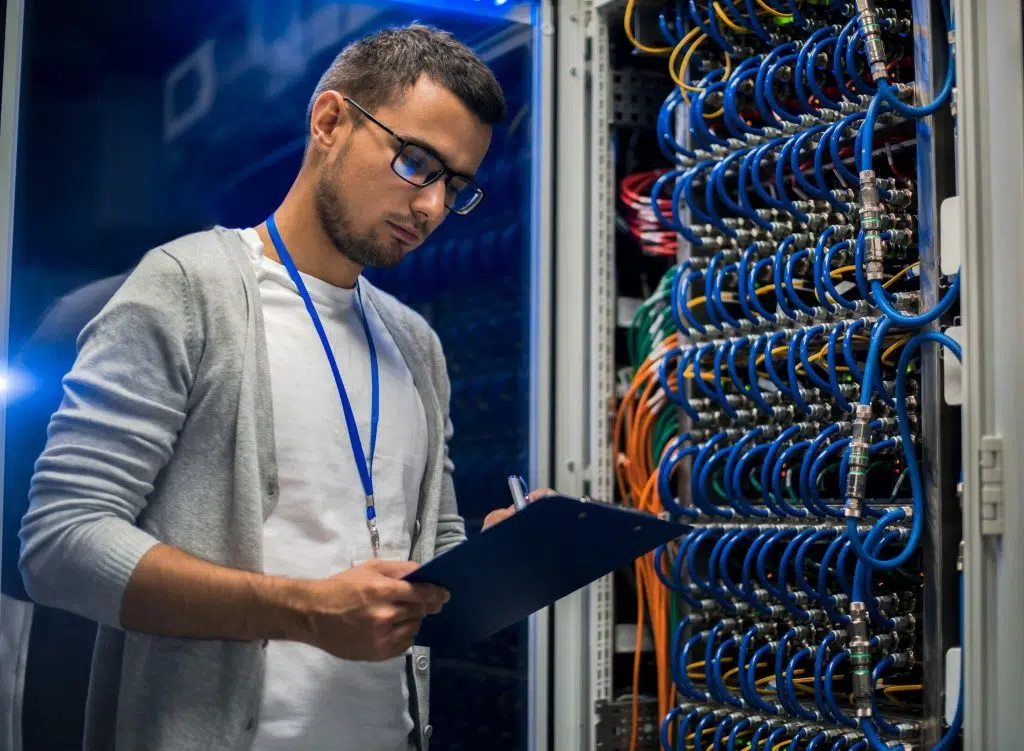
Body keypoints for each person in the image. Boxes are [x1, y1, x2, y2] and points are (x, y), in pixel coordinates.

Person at [18, 24, 540, 751]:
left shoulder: (416, 345)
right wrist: (303, 610)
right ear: (329, 121)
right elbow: (61, 543)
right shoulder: (187, 288)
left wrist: (499, 550)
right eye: (417, 162)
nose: (430, 207)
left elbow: (427, 552)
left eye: (456, 186)